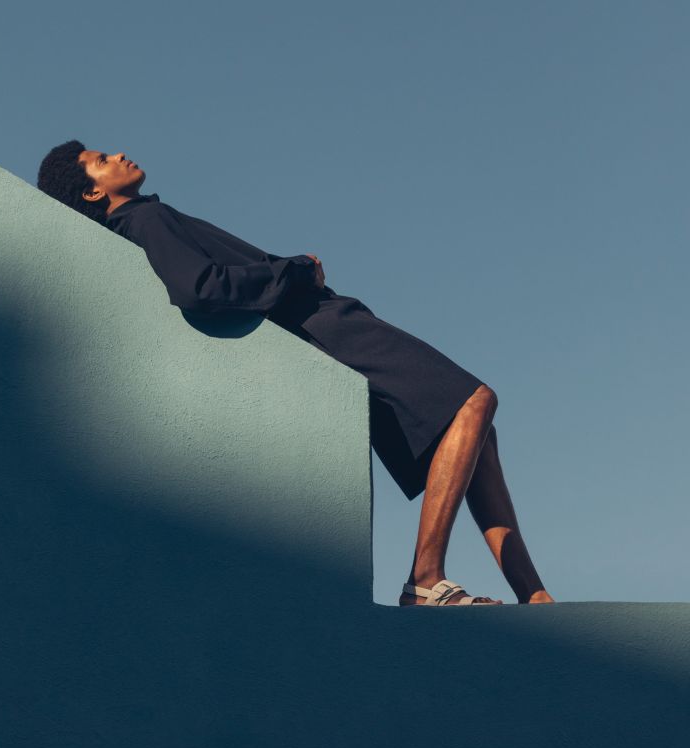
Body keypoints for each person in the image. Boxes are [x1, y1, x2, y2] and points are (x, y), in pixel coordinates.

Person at [37, 140, 555, 607]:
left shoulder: (145, 220)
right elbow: (198, 287)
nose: (120, 154)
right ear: (90, 194)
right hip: (321, 325)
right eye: (101, 161)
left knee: (477, 433)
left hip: (320, 326)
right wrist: (297, 269)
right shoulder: (144, 221)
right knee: (475, 399)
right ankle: (426, 579)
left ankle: (534, 598)